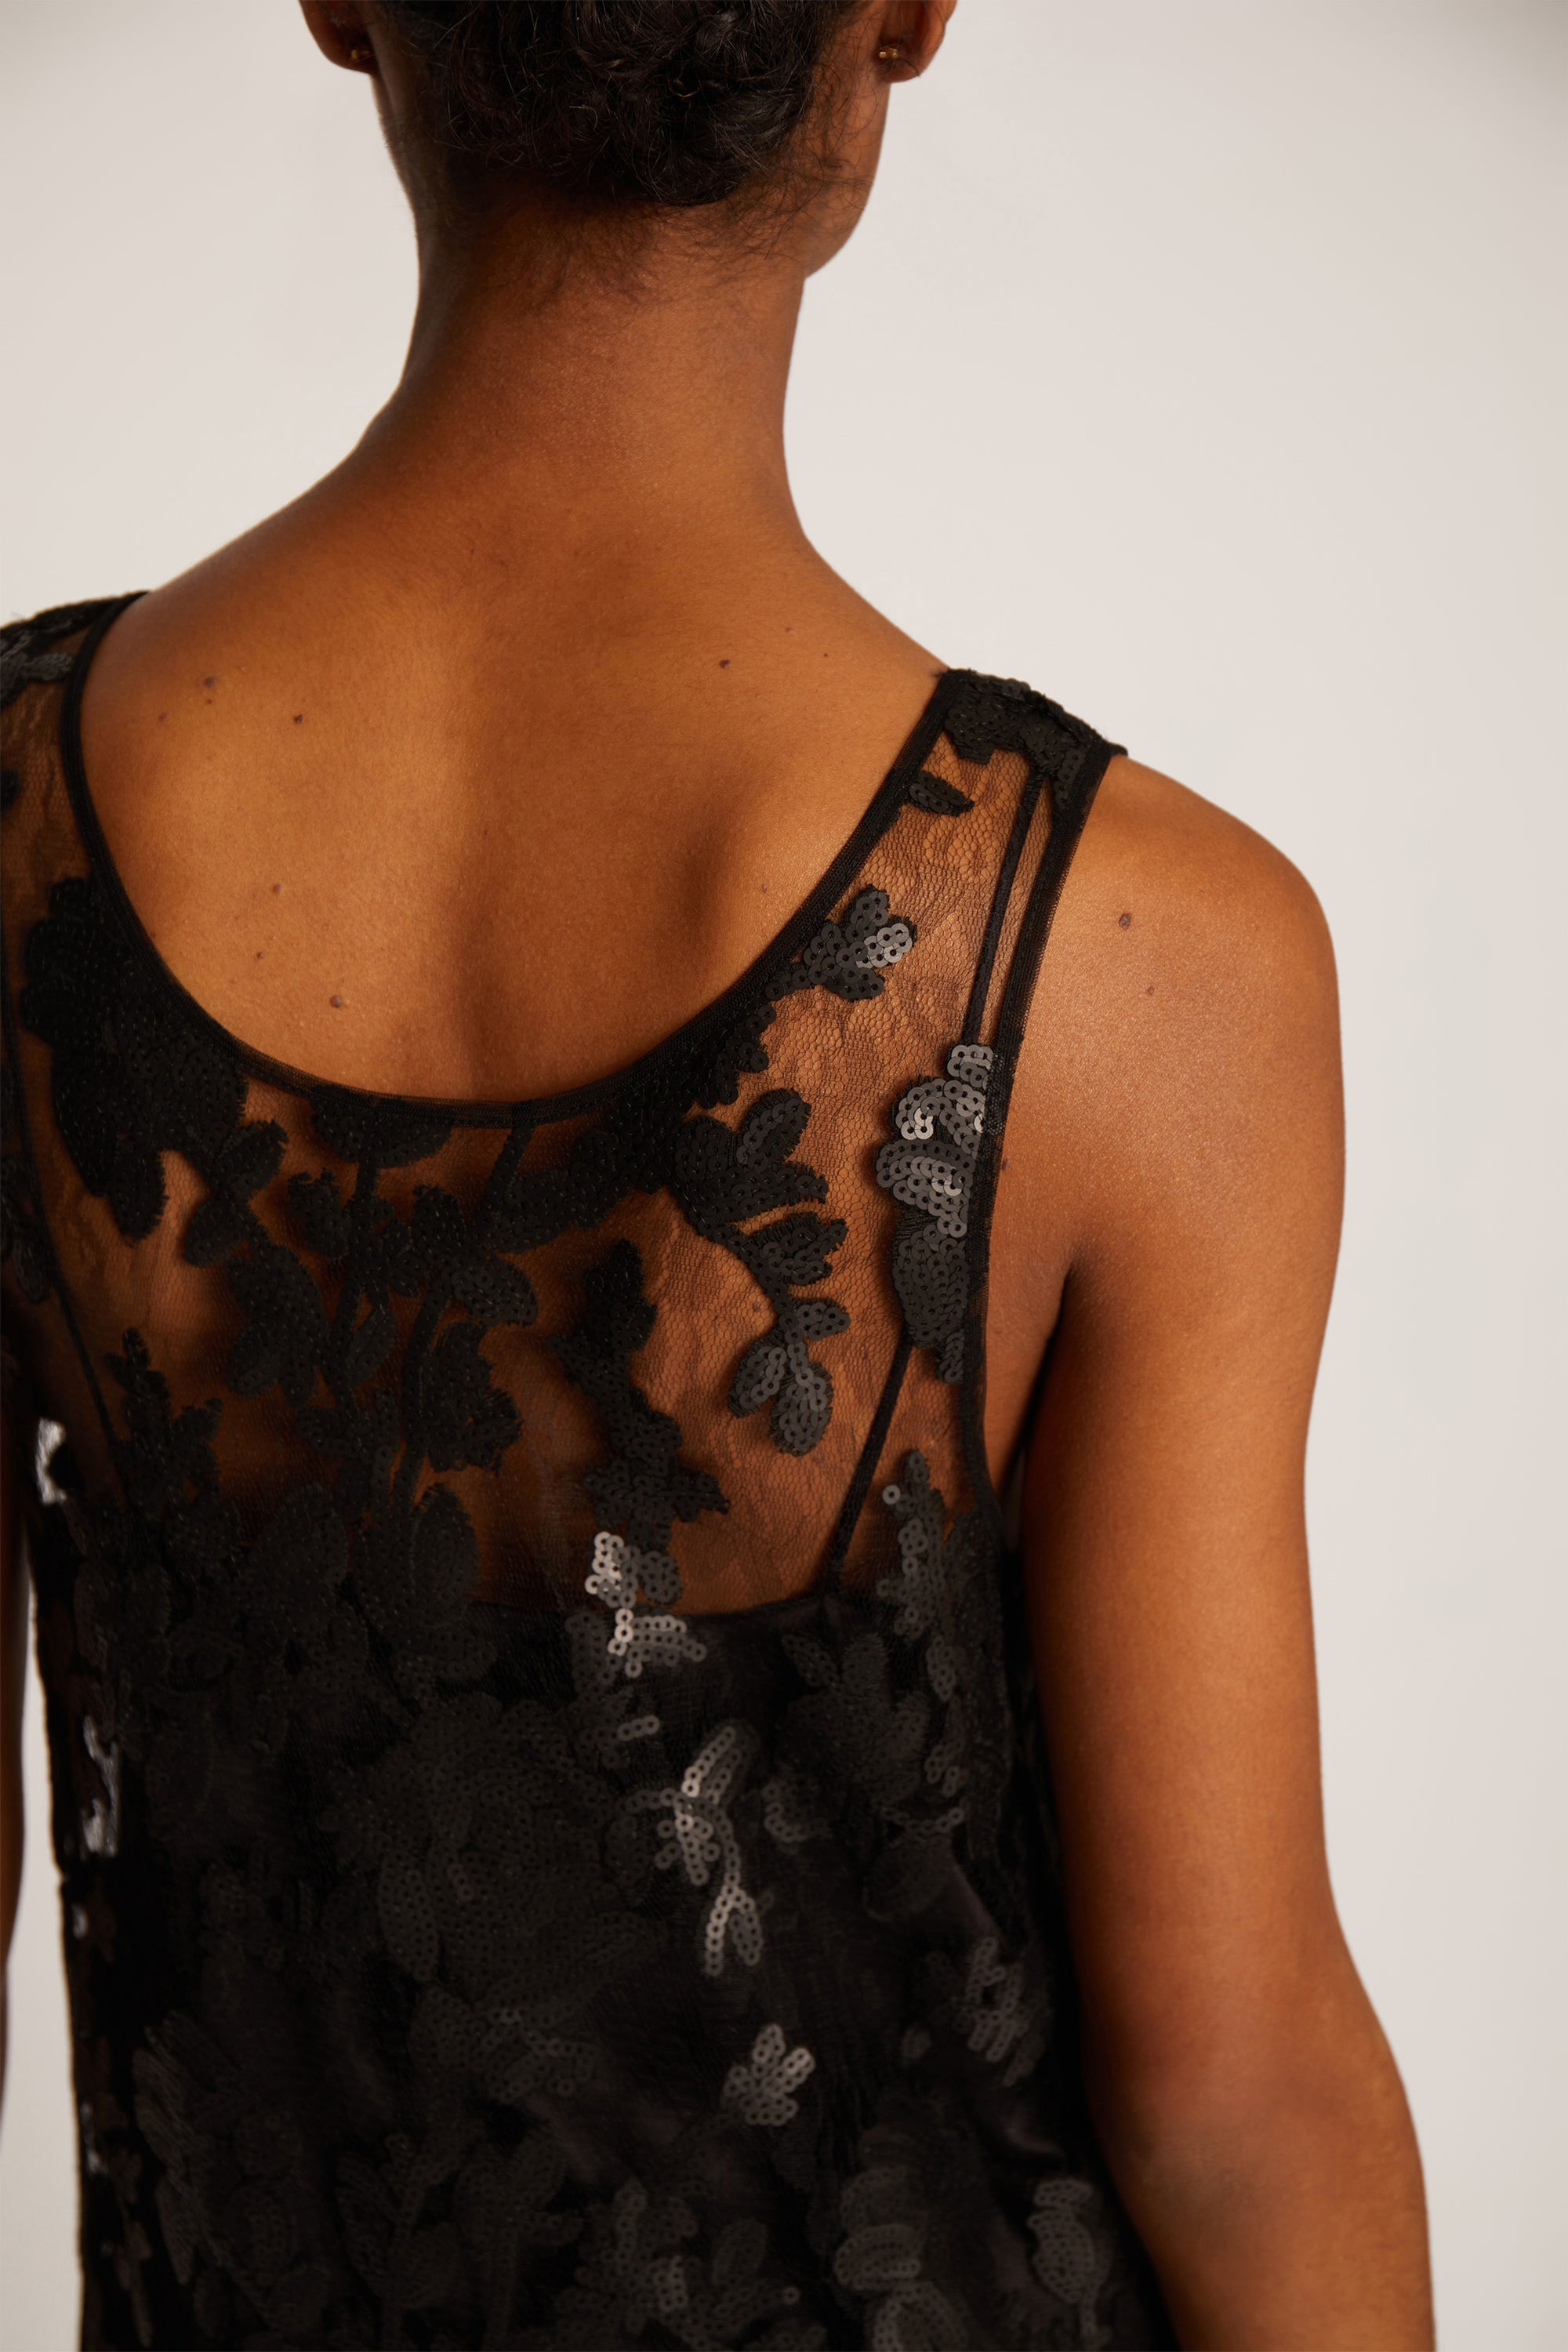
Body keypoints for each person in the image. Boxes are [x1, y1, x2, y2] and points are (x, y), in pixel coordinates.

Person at [0, 4, 1432, 2346]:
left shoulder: (18, 837)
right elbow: (1238, 2095)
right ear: (903, 24)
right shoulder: (1136, 955)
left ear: (349, 9)